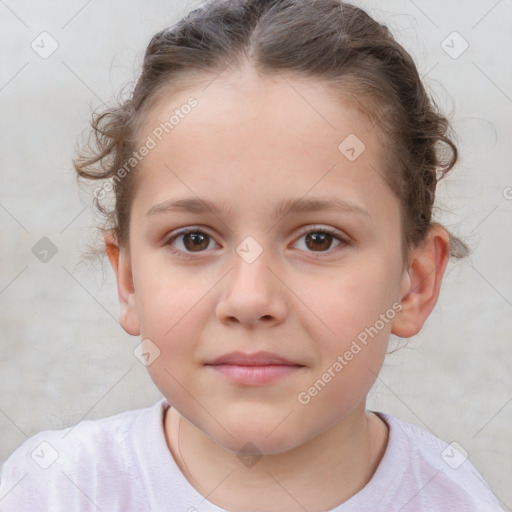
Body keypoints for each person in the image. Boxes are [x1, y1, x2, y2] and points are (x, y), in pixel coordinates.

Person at [0, 0, 504, 510]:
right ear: (128, 280)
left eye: (319, 239)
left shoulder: (456, 500)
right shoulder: (53, 492)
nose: (249, 298)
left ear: (414, 282)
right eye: (194, 239)